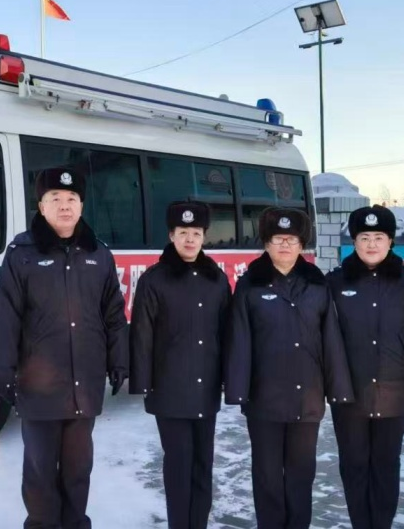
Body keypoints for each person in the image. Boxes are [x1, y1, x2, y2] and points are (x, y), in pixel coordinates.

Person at [0, 167, 129, 529]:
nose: (64, 206)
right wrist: (2, 372)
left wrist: (119, 360)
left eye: (71, 199)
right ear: (41, 206)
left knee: (79, 468)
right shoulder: (22, 254)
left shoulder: (99, 254)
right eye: (55, 199)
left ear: (81, 205)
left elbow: (114, 314)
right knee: (40, 470)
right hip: (39, 386)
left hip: (85, 383)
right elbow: (4, 318)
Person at [224, 207, 353, 529]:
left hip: (306, 397)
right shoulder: (250, 285)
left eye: (291, 239)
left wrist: (338, 388)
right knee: (267, 475)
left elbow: (331, 339)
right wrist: (237, 389)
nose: (285, 245)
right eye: (278, 239)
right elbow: (239, 338)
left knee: (301, 474)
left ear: (301, 245)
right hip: (263, 398)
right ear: (266, 244)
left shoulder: (317, 285)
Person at [326, 205, 404, 529]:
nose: (372, 244)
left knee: (386, 464)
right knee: (353, 464)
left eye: (379, 237)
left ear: (390, 241)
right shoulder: (335, 282)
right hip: (349, 392)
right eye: (364, 237)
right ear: (354, 241)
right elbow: (323, 335)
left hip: (395, 390)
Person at [129, 201, 232, 529]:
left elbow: (227, 332)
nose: (190, 239)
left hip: (206, 388)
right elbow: (142, 334)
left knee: (203, 466)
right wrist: (143, 384)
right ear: (171, 235)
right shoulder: (154, 280)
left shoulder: (216, 279)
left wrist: (229, 378)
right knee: (178, 465)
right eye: (183, 232)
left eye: (196, 233)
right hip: (169, 390)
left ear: (204, 237)